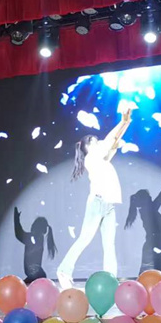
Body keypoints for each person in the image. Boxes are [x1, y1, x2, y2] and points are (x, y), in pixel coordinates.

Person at [56, 106, 134, 289]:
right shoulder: (91, 158)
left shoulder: (101, 159)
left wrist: (126, 122)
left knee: (109, 245)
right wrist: (122, 121)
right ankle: (64, 270)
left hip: (109, 206)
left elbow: (114, 141)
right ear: (87, 146)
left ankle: (110, 280)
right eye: (94, 141)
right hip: (97, 204)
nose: (98, 142)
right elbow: (110, 139)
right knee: (85, 238)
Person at [124, 165, 161, 274]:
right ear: (145, 199)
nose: (151, 198)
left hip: (153, 245)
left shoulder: (147, 210)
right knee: (154, 272)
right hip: (153, 246)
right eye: (149, 197)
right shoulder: (149, 210)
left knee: (152, 272)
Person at [13, 206, 55, 283]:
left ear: (35, 226)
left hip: (34, 272)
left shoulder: (34, 237)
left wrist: (16, 219)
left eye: (33, 224)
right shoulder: (39, 238)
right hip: (35, 273)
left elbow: (19, 234)